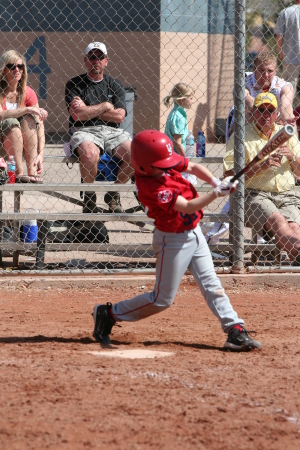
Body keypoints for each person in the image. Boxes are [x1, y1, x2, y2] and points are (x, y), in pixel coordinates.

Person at [92, 130, 262, 352]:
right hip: (172, 241)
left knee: (211, 284)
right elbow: (189, 206)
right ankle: (109, 313)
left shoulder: (158, 163)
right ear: (144, 166)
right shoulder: (152, 188)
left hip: (194, 232)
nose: (169, 165)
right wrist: (216, 194)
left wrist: (215, 181)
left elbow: (191, 167)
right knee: (161, 300)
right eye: (164, 163)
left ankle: (234, 329)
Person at [204, 53, 295, 245]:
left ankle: (264, 238)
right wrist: (263, 112)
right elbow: (248, 101)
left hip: (270, 130)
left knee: (268, 181)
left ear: (275, 71)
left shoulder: (282, 84)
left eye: (270, 71)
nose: (266, 75)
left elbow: (286, 105)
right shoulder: (244, 80)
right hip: (245, 128)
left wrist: (284, 120)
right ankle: (215, 232)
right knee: (240, 177)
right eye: (262, 70)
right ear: (255, 70)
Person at [224, 92, 300, 264]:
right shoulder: (241, 137)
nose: (266, 115)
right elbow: (230, 175)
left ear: (276, 115)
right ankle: (298, 254)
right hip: (253, 194)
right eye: (261, 110)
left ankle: (297, 257)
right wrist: (262, 166)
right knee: (277, 219)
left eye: (270, 111)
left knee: (295, 226)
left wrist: (292, 158)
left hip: (287, 195)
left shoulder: (286, 135)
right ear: (253, 113)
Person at [65, 42, 133, 213]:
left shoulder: (115, 84)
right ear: (85, 60)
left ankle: (113, 193)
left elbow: (119, 116)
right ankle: (89, 195)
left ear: (106, 61)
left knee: (136, 155)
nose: (96, 61)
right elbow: (76, 115)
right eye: (92, 57)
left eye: (100, 57)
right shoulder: (74, 84)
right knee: (89, 154)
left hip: (113, 131)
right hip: (85, 131)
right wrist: (105, 105)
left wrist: (87, 108)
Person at [0, 50, 48, 183]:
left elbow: (40, 125)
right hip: (2, 143)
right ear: (3, 70)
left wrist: (41, 155)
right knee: (12, 122)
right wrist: (26, 109)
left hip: (21, 144)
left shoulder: (28, 92)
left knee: (29, 119)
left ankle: (31, 172)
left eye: (20, 66)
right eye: (12, 66)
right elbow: (1, 114)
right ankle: (19, 174)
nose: (17, 70)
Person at [163, 82, 197, 185]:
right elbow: (177, 143)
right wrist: (186, 161)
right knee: (190, 185)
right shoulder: (179, 117)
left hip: (171, 158)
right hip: (177, 160)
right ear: (182, 100)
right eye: (190, 98)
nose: (192, 101)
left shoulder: (175, 113)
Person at [275, 1, 300, 107]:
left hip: (290, 59)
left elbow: (279, 37)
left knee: (288, 94)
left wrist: (281, 54)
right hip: (290, 59)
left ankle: (287, 120)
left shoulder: (285, 12)